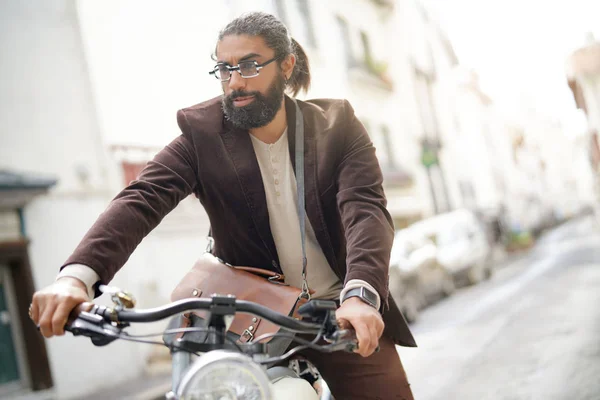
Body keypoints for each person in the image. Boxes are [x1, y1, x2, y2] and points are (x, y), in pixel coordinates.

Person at [30, 11, 416, 399]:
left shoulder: (338, 126)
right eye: (224, 69)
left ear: (286, 64)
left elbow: (365, 211)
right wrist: (75, 279)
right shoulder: (203, 134)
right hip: (253, 323)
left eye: (249, 65)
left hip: (341, 315)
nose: (235, 82)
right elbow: (140, 199)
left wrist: (361, 296)